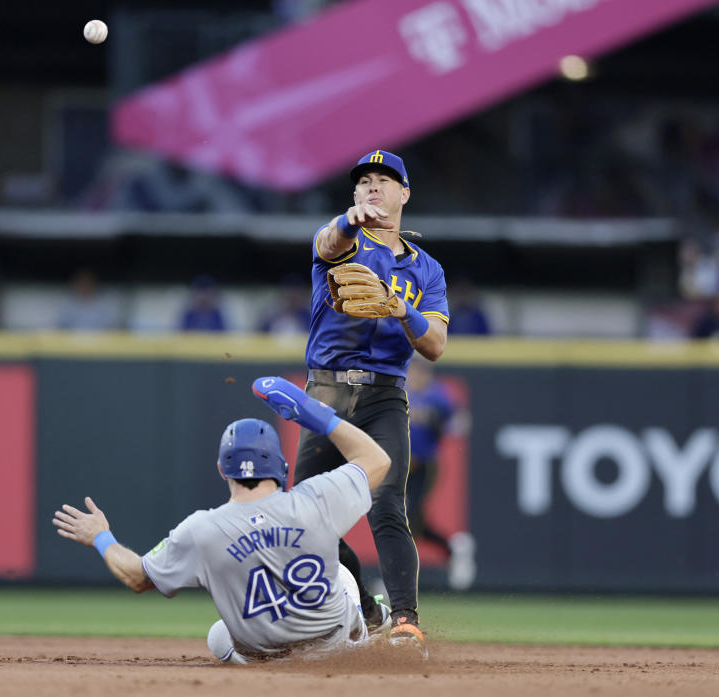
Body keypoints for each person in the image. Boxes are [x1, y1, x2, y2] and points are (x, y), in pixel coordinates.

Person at [52, 376, 390, 664]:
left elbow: (136, 576)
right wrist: (314, 415)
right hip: (332, 646)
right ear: (280, 467)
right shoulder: (318, 498)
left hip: (265, 655)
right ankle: (372, 625)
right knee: (343, 572)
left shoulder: (202, 531)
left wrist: (101, 536)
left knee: (219, 635)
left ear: (221, 470)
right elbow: (377, 459)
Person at [295, 150, 449, 652]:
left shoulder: (426, 270)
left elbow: (436, 346)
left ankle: (405, 619)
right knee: (309, 517)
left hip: (384, 395)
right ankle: (367, 607)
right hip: (328, 392)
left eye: (384, 180)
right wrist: (345, 221)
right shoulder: (340, 243)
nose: (373, 187)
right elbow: (325, 241)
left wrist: (404, 310)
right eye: (364, 181)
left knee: (387, 504)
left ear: (404, 194)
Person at [405, 359, 475, 590]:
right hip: (400, 466)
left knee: (409, 516)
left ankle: (399, 577)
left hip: (424, 464)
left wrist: (439, 422)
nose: (414, 376)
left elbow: (461, 422)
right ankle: (452, 548)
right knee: (406, 519)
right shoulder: (402, 393)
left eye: (417, 372)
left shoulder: (437, 395)